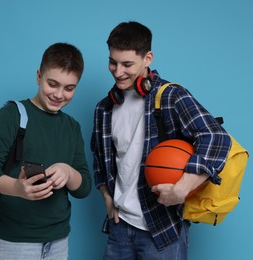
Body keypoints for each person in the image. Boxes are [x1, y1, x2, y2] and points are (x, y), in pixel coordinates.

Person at [90, 21, 231, 259]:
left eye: (127, 64)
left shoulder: (171, 97)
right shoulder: (104, 108)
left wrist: (182, 189)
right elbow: (99, 157)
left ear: (148, 59)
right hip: (119, 226)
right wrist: (106, 196)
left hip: (162, 229)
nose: (117, 71)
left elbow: (216, 138)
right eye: (112, 62)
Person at [0, 42, 92, 260]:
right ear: (39, 76)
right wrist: (17, 188)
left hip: (58, 239)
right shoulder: (11, 116)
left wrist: (68, 172)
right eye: (52, 84)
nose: (58, 94)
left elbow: (83, 188)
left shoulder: (72, 127)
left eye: (69, 88)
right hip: (15, 240)